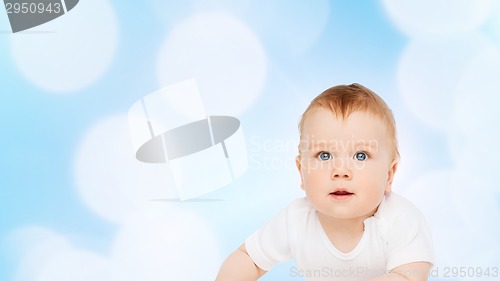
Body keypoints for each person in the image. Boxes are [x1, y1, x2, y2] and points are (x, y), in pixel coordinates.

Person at [216, 83, 434, 281]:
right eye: (324, 155)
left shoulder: (401, 219)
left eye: (360, 156)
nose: (340, 171)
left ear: (389, 174)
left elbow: (409, 277)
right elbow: (248, 259)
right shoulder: (297, 219)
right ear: (302, 172)